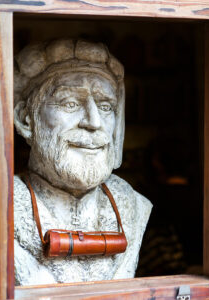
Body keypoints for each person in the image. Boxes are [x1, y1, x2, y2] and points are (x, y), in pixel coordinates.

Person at [13, 39, 152, 285]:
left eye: (106, 106)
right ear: (26, 118)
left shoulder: (133, 206)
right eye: (71, 103)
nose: (93, 121)